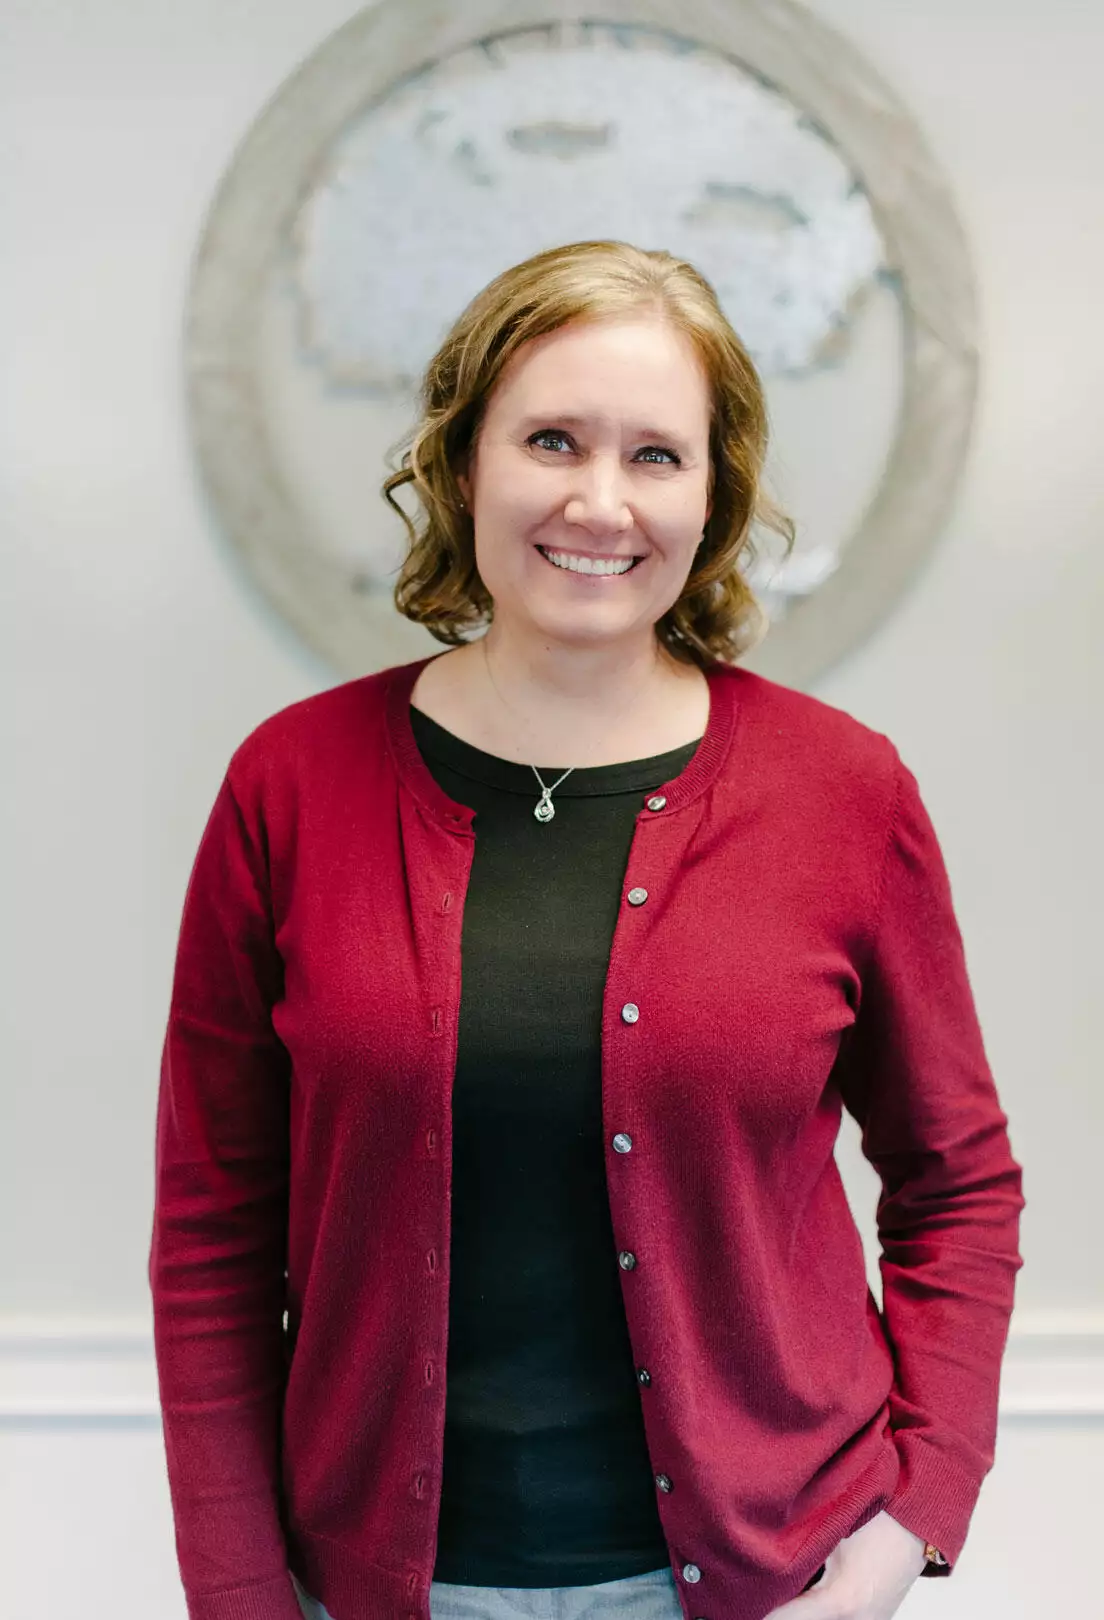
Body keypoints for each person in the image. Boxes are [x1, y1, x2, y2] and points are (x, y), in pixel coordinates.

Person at [148, 240, 1025, 1620]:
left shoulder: (844, 794)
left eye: (657, 456)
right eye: (550, 438)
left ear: (715, 496)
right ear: (462, 465)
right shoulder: (291, 785)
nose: (599, 501)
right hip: (375, 1588)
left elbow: (959, 1182)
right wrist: (241, 1594)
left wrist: (907, 1525)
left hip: (766, 1582)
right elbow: (212, 1226)